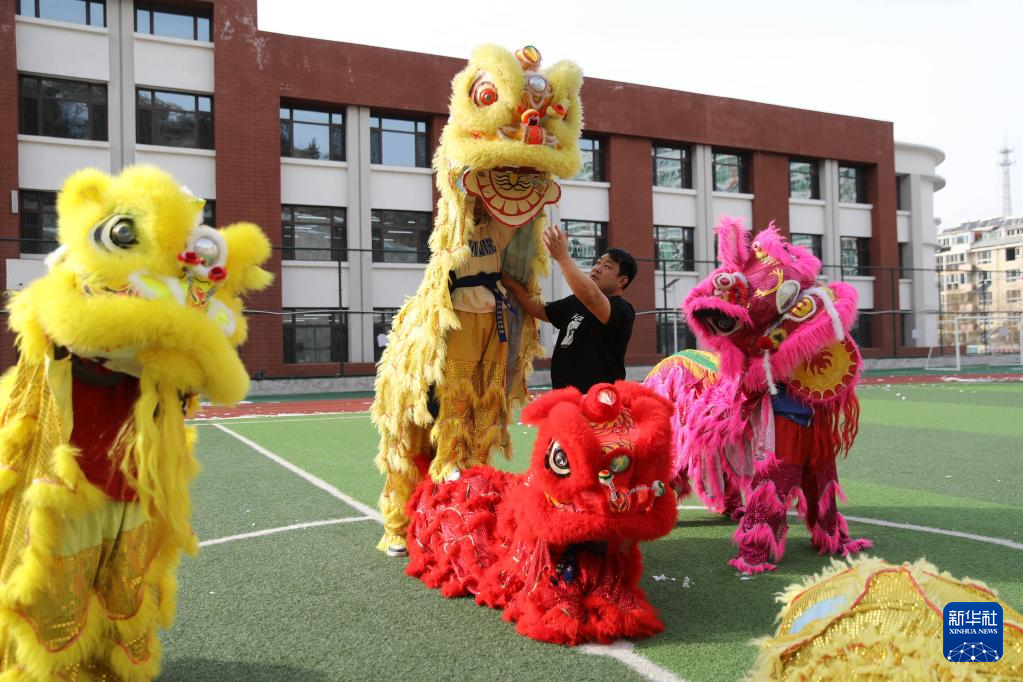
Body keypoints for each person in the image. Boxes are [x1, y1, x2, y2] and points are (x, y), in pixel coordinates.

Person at [502, 225, 636, 393]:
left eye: (607, 266)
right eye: (598, 263)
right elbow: (540, 310)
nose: (596, 268)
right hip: (563, 398)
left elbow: (591, 295)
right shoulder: (576, 301)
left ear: (622, 281)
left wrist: (563, 258)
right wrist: (510, 283)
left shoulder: (623, 310)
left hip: (598, 401)